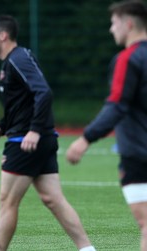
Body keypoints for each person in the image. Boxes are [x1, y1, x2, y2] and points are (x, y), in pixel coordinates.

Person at [0, 15, 96, 251]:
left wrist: (33, 131)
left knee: (7, 202)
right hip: (37, 138)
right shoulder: (11, 61)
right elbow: (20, 104)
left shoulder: (18, 58)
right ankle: (87, 249)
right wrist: (1, 127)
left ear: (3, 36)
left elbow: (43, 92)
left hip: (26, 142)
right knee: (53, 199)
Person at [66, 0, 147, 250]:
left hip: (139, 153)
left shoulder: (128, 58)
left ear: (128, 24)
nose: (111, 29)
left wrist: (86, 138)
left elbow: (117, 105)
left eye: (113, 23)